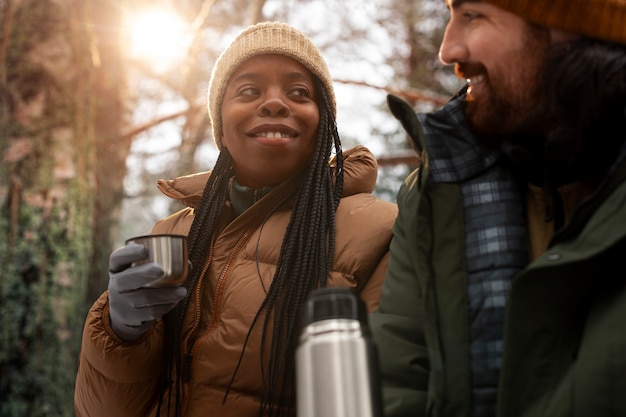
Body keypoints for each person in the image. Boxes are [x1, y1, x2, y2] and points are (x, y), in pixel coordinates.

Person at [74, 21, 397, 417]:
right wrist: (122, 331)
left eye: (299, 92)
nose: (275, 103)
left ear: (323, 123)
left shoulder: (381, 233)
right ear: (221, 127)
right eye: (249, 90)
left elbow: (390, 395)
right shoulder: (173, 232)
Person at [369, 1, 626, 417]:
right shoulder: (436, 196)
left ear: (572, 26)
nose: (447, 51)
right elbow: (398, 381)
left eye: (472, 16)